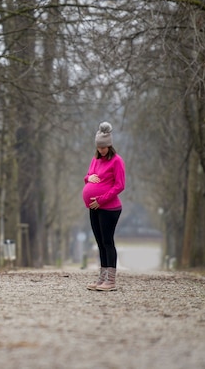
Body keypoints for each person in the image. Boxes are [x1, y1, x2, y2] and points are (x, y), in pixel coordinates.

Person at [82, 121, 125, 291]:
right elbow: (89, 176)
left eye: (104, 148)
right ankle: (102, 278)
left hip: (110, 208)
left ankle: (111, 281)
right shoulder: (95, 159)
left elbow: (120, 185)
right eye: (99, 148)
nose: (101, 150)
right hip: (94, 208)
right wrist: (88, 179)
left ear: (109, 146)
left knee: (107, 242)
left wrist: (101, 200)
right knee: (99, 242)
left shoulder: (117, 161)